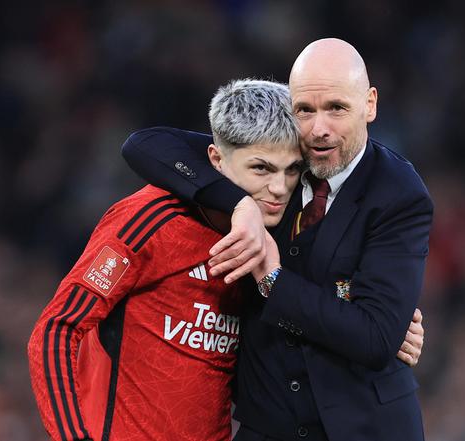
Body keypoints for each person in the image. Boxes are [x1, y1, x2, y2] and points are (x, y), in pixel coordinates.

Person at [121, 38, 433, 440]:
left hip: (363, 427)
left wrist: (273, 278)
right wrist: (240, 205)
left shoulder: (399, 192)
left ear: (369, 104)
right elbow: (145, 146)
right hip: (268, 425)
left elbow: (375, 338)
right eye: (305, 110)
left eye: (336, 108)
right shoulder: (278, 161)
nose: (319, 129)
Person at [27, 79, 303, 441]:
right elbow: (57, 329)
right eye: (261, 169)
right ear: (216, 160)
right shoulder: (149, 219)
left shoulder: (280, 236)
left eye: (292, 170)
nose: (280, 188)